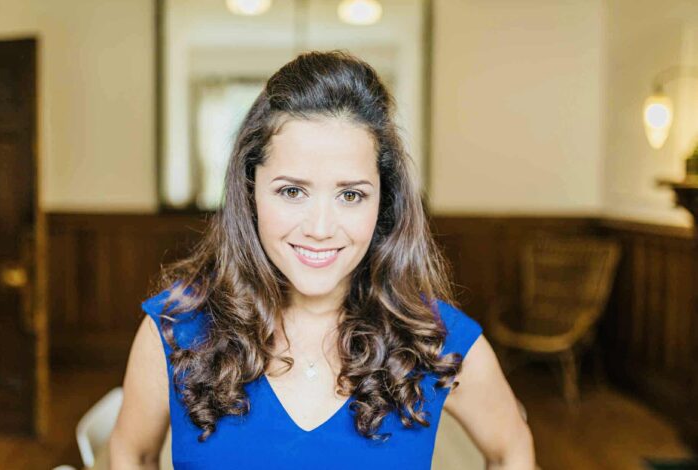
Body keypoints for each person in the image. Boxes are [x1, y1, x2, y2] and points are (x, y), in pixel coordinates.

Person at [110, 50, 535, 469]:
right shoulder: (176, 327)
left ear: (383, 201)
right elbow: (133, 453)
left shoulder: (436, 339)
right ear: (250, 189)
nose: (320, 227)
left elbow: (510, 448)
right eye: (292, 191)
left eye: (350, 195)